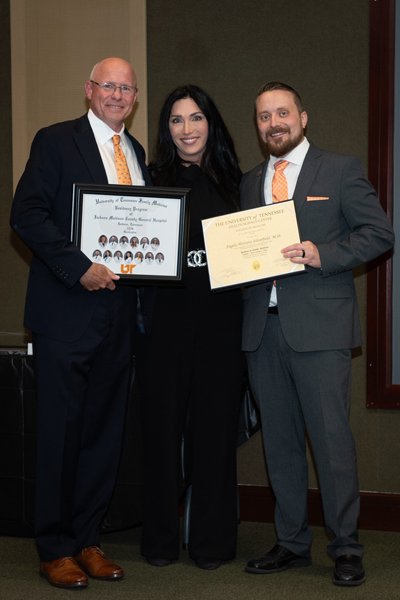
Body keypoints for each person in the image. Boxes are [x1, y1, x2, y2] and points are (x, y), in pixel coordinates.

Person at [241, 82, 395, 587]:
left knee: (331, 443)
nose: (274, 123)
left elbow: (379, 234)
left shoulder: (341, 168)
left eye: (282, 113)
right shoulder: (248, 183)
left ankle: (346, 547)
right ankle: (291, 542)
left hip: (321, 331)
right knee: (280, 444)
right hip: (262, 330)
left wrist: (322, 253)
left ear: (303, 118)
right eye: (265, 116)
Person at [10, 57, 155, 589]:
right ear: (89, 90)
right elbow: (26, 215)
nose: (117, 95)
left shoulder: (136, 153)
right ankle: (54, 548)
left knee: (103, 435)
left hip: (120, 318)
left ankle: (87, 540)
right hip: (66, 314)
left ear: (134, 98)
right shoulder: (55, 141)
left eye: (126, 88)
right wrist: (79, 269)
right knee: (60, 436)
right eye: (107, 86)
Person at [136, 85, 245, 571]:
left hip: (222, 326)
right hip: (165, 326)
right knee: (159, 435)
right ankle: (159, 542)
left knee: (216, 436)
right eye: (177, 120)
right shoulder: (149, 179)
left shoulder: (236, 182)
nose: (187, 129)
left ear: (210, 123)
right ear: (167, 129)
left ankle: (212, 543)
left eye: (196, 118)